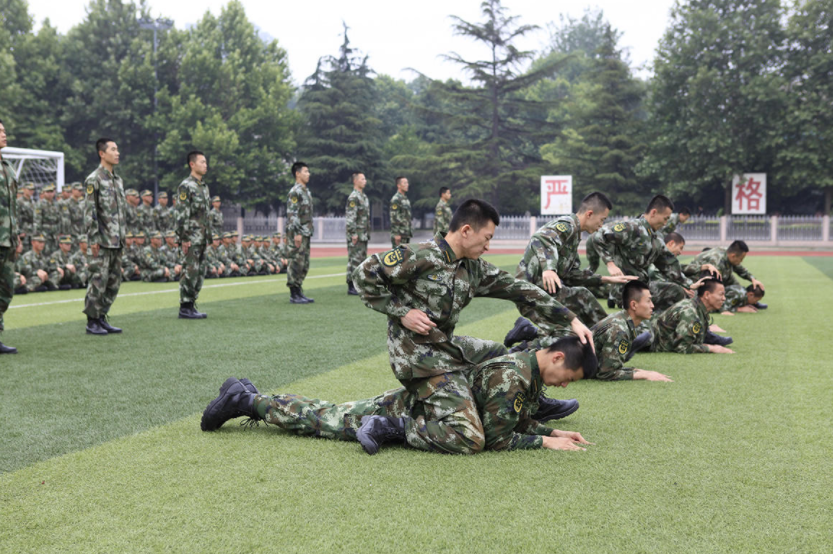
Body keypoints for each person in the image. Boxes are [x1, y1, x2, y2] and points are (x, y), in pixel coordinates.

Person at [352, 199, 594, 455]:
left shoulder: (472, 269)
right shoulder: (419, 255)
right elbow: (363, 274)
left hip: (445, 344)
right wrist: (402, 312)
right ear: (466, 230)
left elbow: (520, 289)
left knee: (499, 353)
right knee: (470, 438)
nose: (488, 246)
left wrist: (571, 319)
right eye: (486, 238)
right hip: (417, 355)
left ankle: (529, 406)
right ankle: (390, 425)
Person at [200, 336, 597, 454]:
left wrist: (551, 431)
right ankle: (246, 401)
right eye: (569, 377)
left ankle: (252, 396)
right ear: (558, 357)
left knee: (333, 413)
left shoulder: (527, 371)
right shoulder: (512, 375)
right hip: (417, 407)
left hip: (428, 406)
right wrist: (543, 441)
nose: (564, 385)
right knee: (330, 420)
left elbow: (506, 417)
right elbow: (495, 437)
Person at [506, 280, 675, 382]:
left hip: (566, 346)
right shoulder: (620, 329)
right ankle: (527, 336)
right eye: (649, 301)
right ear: (634, 305)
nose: (653, 306)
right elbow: (606, 373)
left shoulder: (622, 320)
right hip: (557, 354)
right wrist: (643, 374)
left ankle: (529, 332)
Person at [515, 192, 636, 328]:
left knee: (580, 315)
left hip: (546, 293)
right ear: (589, 214)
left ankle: (611, 332)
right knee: (571, 331)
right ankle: (613, 332)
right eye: (602, 219)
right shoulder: (568, 225)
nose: (602, 225)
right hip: (530, 294)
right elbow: (541, 237)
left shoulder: (574, 237)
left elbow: (572, 276)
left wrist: (606, 279)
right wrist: (549, 269)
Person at [593, 195, 694, 310]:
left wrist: (689, 284)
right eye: (665, 218)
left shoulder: (656, 239)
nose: (665, 223)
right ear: (654, 213)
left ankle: (661, 322)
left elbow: (669, 264)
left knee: (676, 291)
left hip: (643, 287)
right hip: (627, 290)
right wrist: (610, 263)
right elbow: (598, 235)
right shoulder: (632, 228)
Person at [83, 138, 127, 336]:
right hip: (102, 240)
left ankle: (102, 316)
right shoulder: (94, 179)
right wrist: (93, 238)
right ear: (102, 153)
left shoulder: (117, 180)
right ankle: (92, 320)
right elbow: (90, 211)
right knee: (98, 280)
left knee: (114, 281)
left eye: (117, 149)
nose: (117, 153)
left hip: (117, 239)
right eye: (113, 149)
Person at [641, 278, 735, 355]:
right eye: (721, 294)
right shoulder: (690, 312)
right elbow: (683, 347)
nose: (724, 298)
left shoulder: (698, 308)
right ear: (707, 295)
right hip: (647, 341)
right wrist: (711, 348)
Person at [176, 151, 212, 319]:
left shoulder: (203, 187)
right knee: (190, 271)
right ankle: (185, 306)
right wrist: (184, 238)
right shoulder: (186, 186)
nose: (206, 165)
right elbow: (182, 214)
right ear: (192, 164)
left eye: (206, 162)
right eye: (202, 162)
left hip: (203, 237)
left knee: (200, 272)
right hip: (191, 238)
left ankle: (192, 303)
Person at [684, 240, 767, 310]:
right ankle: (727, 307)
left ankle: (750, 301)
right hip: (699, 282)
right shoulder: (717, 261)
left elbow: (739, 268)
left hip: (721, 275)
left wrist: (752, 279)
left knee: (739, 289)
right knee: (719, 294)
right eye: (741, 259)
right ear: (733, 256)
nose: (741, 261)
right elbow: (712, 284)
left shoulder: (728, 252)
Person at [0, 119, 20, 353]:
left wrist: (17, 235)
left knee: (6, 290)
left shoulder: (8, 167)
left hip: (8, 239)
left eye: (5, 130)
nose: (5, 135)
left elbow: (12, 206)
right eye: (1, 132)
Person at [285, 161, 314, 303]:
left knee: (304, 263)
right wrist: (297, 233)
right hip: (298, 233)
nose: (308, 174)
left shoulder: (305, 191)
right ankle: (293, 293)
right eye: (305, 171)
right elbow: (292, 213)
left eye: (308, 172)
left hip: (306, 232)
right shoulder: (295, 192)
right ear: (297, 174)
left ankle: (299, 289)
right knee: (295, 262)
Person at [345, 171, 370, 295]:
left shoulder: (363, 197)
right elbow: (351, 217)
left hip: (363, 234)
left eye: (365, 179)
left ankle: (358, 284)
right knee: (354, 260)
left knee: (361, 260)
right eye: (362, 179)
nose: (364, 181)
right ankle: (351, 285)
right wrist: (353, 233)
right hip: (356, 234)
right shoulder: (354, 197)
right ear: (355, 181)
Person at [34, 183, 60, 255]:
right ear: (43, 193)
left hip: (54, 233)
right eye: (47, 192)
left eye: (51, 192)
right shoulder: (40, 204)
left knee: (54, 252)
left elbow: (59, 219)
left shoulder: (56, 204)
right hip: (44, 232)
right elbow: (37, 220)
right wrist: (39, 234)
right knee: (45, 252)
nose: (49, 194)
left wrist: (59, 232)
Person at [389, 176, 412, 248]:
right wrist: (396, 234)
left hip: (405, 233)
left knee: (405, 257)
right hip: (399, 234)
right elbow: (394, 217)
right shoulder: (396, 199)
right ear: (398, 185)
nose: (407, 185)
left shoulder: (405, 199)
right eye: (404, 183)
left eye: (407, 183)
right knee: (398, 257)